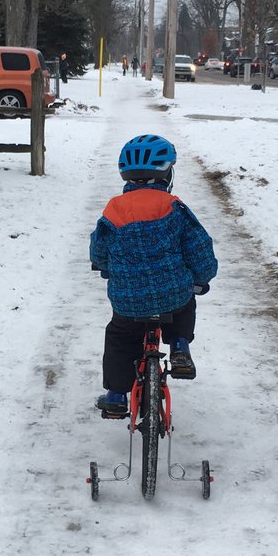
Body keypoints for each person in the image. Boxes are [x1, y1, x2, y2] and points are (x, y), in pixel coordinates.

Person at [90, 134, 218, 417]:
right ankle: (180, 346)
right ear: (167, 173)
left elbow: (99, 249)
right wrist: (203, 277)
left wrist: (105, 267)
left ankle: (115, 395)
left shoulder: (114, 209)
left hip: (128, 300)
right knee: (184, 304)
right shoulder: (174, 207)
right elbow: (198, 249)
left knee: (120, 336)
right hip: (172, 294)